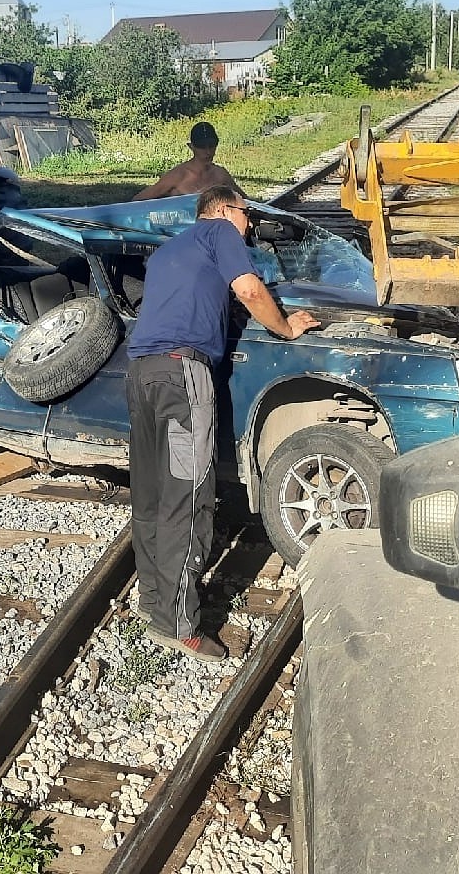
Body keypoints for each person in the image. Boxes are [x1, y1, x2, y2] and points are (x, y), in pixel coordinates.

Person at [126, 185, 319, 662]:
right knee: (188, 495)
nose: (249, 225)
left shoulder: (171, 250)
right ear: (222, 210)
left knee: (151, 497)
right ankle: (181, 626)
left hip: (142, 375)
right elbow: (249, 289)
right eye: (246, 214)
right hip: (181, 375)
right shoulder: (219, 232)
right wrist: (287, 327)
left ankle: (155, 606)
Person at [131, 122, 246, 201]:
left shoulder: (221, 175)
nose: (208, 152)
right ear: (191, 147)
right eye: (202, 146)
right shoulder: (178, 175)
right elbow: (138, 200)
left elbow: (247, 202)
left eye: (212, 146)